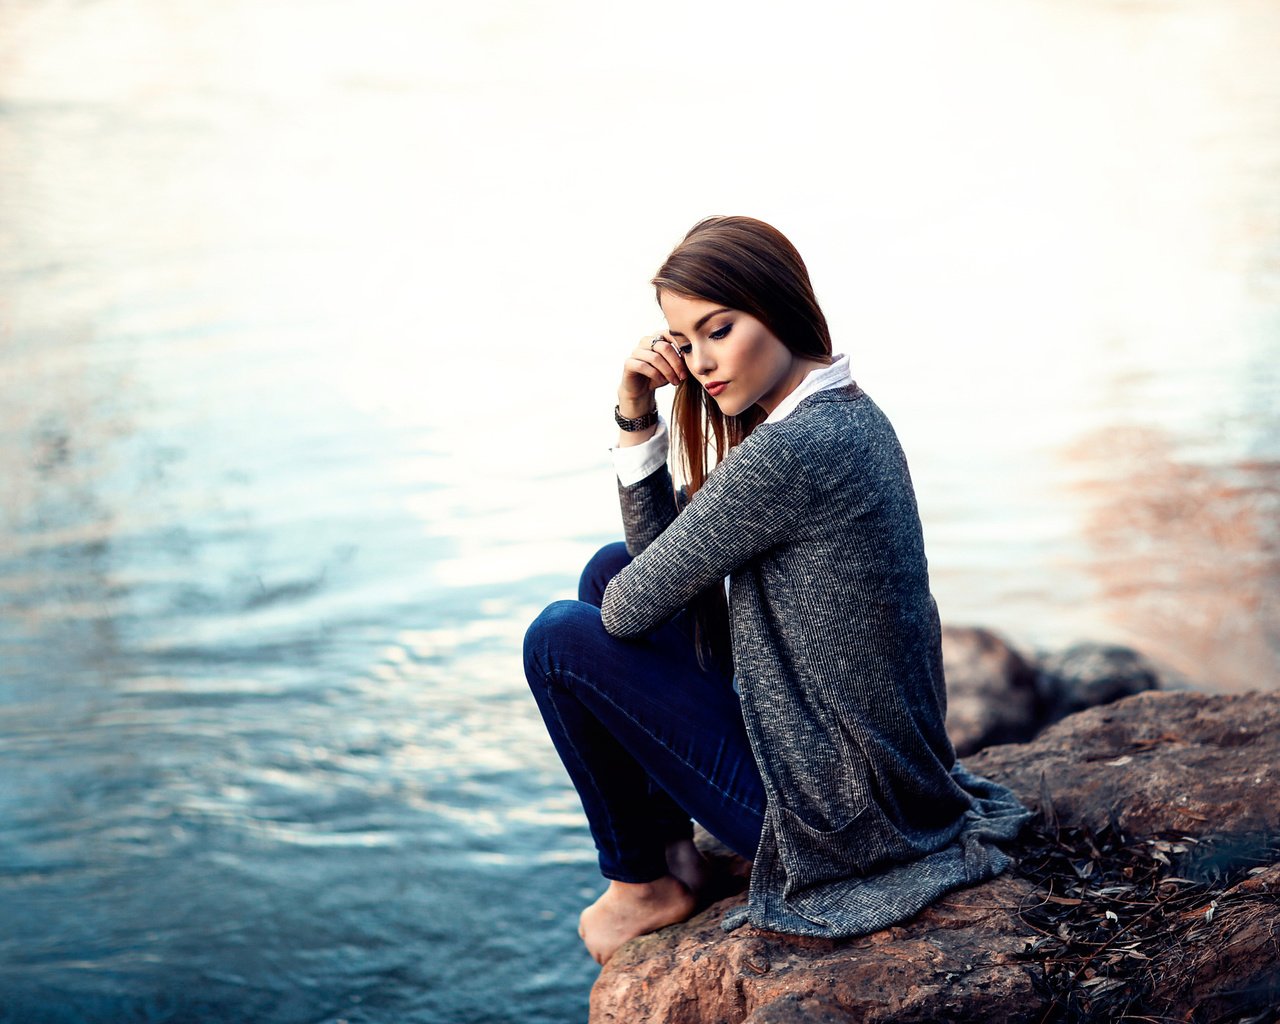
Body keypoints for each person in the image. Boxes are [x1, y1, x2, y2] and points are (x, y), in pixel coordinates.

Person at [523, 215, 1030, 966]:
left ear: (778, 306)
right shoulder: (843, 412)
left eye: (718, 329)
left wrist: (634, 417)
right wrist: (638, 409)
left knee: (560, 638)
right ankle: (677, 857)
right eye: (684, 342)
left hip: (839, 818)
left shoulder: (795, 450)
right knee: (607, 569)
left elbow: (633, 610)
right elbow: (648, 575)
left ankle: (641, 883)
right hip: (877, 777)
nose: (699, 362)